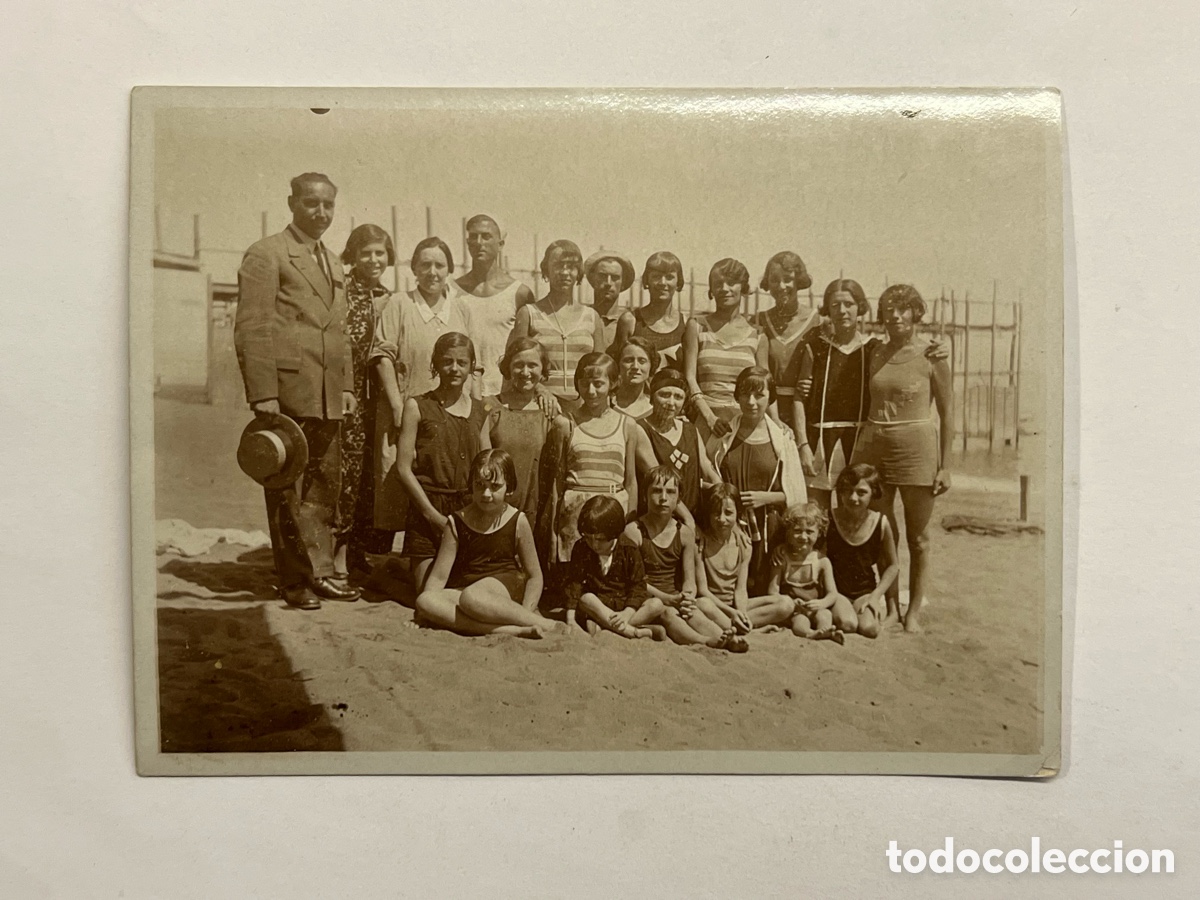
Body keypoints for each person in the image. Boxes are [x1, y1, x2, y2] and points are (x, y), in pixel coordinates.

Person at [233, 172, 359, 609]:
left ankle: (321, 572)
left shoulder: (334, 261)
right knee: (287, 489)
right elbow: (252, 327)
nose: (321, 213)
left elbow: (337, 331)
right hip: (287, 392)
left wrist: (344, 386)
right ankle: (293, 582)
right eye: (311, 204)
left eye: (328, 205)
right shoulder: (267, 254)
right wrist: (263, 394)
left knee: (325, 486)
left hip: (326, 394)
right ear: (292, 203)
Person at [849, 284, 953, 633]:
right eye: (888, 310)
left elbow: (948, 412)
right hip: (877, 447)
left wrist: (947, 465)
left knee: (918, 538)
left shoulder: (933, 355)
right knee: (883, 532)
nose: (894, 316)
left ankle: (913, 615)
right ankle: (892, 605)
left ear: (915, 313)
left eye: (902, 309)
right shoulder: (875, 351)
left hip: (918, 451)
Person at [792, 278, 948, 504]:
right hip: (820, 442)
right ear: (827, 309)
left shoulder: (873, 349)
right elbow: (799, 397)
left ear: (861, 308)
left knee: (857, 514)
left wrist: (942, 349)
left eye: (849, 304)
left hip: (861, 444)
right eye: (835, 305)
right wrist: (803, 445)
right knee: (817, 514)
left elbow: (902, 358)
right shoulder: (815, 346)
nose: (842, 311)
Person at [371, 237, 470, 531]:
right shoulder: (400, 303)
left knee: (440, 479)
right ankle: (389, 560)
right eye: (425, 264)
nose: (432, 272)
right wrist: (397, 407)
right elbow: (382, 357)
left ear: (449, 270)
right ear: (413, 268)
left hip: (445, 416)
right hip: (402, 412)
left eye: (440, 265)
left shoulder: (460, 309)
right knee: (396, 482)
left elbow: (470, 363)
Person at [414, 450, 564, 638]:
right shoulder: (457, 521)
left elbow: (534, 575)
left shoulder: (517, 520)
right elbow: (438, 577)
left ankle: (542, 624)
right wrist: (424, 615)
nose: (486, 493)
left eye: (495, 486)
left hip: (504, 588)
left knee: (472, 597)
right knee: (425, 600)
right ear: (472, 485)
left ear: (509, 487)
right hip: (467, 593)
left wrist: (527, 612)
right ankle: (512, 630)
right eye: (480, 485)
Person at [396, 332, 488, 590]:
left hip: (468, 512)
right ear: (435, 364)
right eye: (447, 361)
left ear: (472, 366)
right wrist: (433, 516)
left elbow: (487, 467)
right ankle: (393, 571)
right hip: (428, 509)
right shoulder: (417, 406)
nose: (454, 369)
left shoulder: (481, 411)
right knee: (427, 594)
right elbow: (402, 469)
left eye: (462, 362)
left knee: (467, 589)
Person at [333, 224, 396, 583]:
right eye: (366, 253)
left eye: (380, 253)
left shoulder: (389, 298)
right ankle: (337, 550)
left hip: (379, 402)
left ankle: (359, 550)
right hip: (347, 397)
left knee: (373, 476)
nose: (374, 260)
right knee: (347, 475)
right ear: (353, 255)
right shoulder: (340, 291)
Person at [709, 366, 807, 593]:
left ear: (770, 397)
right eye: (745, 394)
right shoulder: (724, 434)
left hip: (767, 528)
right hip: (728, 524)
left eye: (759, 395)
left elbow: (797, 494)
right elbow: (707, 476)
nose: (751, 401)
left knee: (763, 587)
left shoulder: (782, 438)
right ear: (737, 396)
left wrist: (767, 497)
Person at [631, 468, 748, 652]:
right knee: (668, 612)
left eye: (670, 492)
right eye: (656, 491)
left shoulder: (684, 533)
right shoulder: (634, 531)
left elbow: (689, 580)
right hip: (646, 601)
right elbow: (634, 582)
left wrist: (686, 597)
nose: (663, 498)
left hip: (675, 598)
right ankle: (704, 641)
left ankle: (723, 638)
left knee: (692, 611)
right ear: (645, 496)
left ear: (679, 499)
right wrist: (669, 599)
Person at [540, 352, 639, 565]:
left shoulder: (628, 425)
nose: (591, 391)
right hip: (575, 515)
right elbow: (557, 482)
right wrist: (553, 533)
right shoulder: (565, 424)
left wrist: (630, 523)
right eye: (584, 384)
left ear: (613, 383)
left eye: (598, 384)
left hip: (614, 510)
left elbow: (630, 481)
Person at [682, 258, 769, 443]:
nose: (724, 288)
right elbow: (690, 377)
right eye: (718, 284)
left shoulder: (758, 335)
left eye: (731, 282)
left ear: (743, 287)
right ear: (711, 290)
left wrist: (778, 424)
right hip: (707, 423)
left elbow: (765, 387)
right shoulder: (696, 326)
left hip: (745, 424)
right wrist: (710, 418)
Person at [511, 240, 606, 406]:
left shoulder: (592, 317)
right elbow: (514, 364)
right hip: (539, 405)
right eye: (557, 265)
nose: (564, 272)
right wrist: (541, 390)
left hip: (583, 406)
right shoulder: (528, 313)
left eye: (571, 266)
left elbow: (602, 369)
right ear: (546, 270)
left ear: (579, 272)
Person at [454, 214, 536, 398]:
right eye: (473, 237)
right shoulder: (452, 291)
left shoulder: (520, 293)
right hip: (461, 394)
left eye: (486, 236)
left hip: (504, 393)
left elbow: (529, 349)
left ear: (500, 244)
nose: (479, 242)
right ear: (467, 243)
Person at [478, 338, 555, 531]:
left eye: (533, 365)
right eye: (519, 365)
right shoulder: (489, 406)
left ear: (543, 369)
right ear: (508, 368)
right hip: (495, 505)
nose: (526, 372)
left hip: (535, 507)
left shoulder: (549, 411)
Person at [693, 483, 788, 633]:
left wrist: (741, 613)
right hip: (713, 605)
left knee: (785, 603)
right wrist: (732, 613)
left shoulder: (744, 545)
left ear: (738, 514)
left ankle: (738, 625)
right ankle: (746, 628)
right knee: (701, 604)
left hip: (734, 605)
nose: (721, 519)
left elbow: (741, 590)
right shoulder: (700, 544)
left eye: (728, 513)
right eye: (715, 513)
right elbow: (703, 591)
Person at [565, 495, 664, 639]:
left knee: (656, 605)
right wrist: (570, 620)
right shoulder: (581, 548)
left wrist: (627, 613)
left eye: (600, 539)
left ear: (614, 534)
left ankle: (608, 626)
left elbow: (638, 586)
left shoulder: (628, 549)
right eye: (588, 537)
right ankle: (633, 632)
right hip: (598, 606)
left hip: (623, 606)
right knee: (587, 598)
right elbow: (574, 584)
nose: (594, 545)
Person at [633, 367, 720, 525]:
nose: (671, 403)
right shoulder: (640, 429)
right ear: (652, 398)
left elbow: (707, 469)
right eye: (664, 395)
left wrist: (724, 497)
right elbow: (659, 480)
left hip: (693, 516)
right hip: (660, 520)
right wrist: (688, 520)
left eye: (678, 397)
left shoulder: (690, 430)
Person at [826, 463, 899, 640]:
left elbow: (893, 566)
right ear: (840, 492)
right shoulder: (829, 518)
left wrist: (875, 596)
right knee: (848, 624)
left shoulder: (880, 522)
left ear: (873, 492)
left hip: (865, 591)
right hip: (836, 590)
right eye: (847, 490)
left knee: (870, 629)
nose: (853, 497)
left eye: (861, 492)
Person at [751, 251, 820, 433]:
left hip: (805, 409)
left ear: (799, 280)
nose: (781, 286)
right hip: (767, 408)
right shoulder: (759, 320)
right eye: (774, 280)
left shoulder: (816, 321)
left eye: (788, 279)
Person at [766, 502, 850, 642]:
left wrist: (822, 603)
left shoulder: (821, 561)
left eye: (810, 532)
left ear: (819, 532)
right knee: (800, 621)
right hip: (794, 610)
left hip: (816, 606)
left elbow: (832, 593)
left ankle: (825, 631)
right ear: (788, 532)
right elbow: (772, 592)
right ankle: (810, 634)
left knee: (825, 615)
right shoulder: (782, 559)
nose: (803, 537)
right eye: (797, 531)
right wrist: (792, 602)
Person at [612, 251, 687, 370]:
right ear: (647, 280)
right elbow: (618, 369)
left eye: (669, 277)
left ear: (678, 282)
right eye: (656, 276)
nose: (663, 283)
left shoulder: (687, 324)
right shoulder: (630, 320)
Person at [582, 249, 635, 350]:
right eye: (602, 276)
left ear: (623, 283)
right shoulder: (581, 317)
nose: (608, 283)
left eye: (615, 277)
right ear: (592, 279)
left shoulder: (631, 322)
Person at [611, 335, 657, 419]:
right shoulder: (607, 404)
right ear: (618, 365)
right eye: (628, 360)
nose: (635, 366)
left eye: (642, 361)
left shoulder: (656, 406)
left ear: (651, 366)